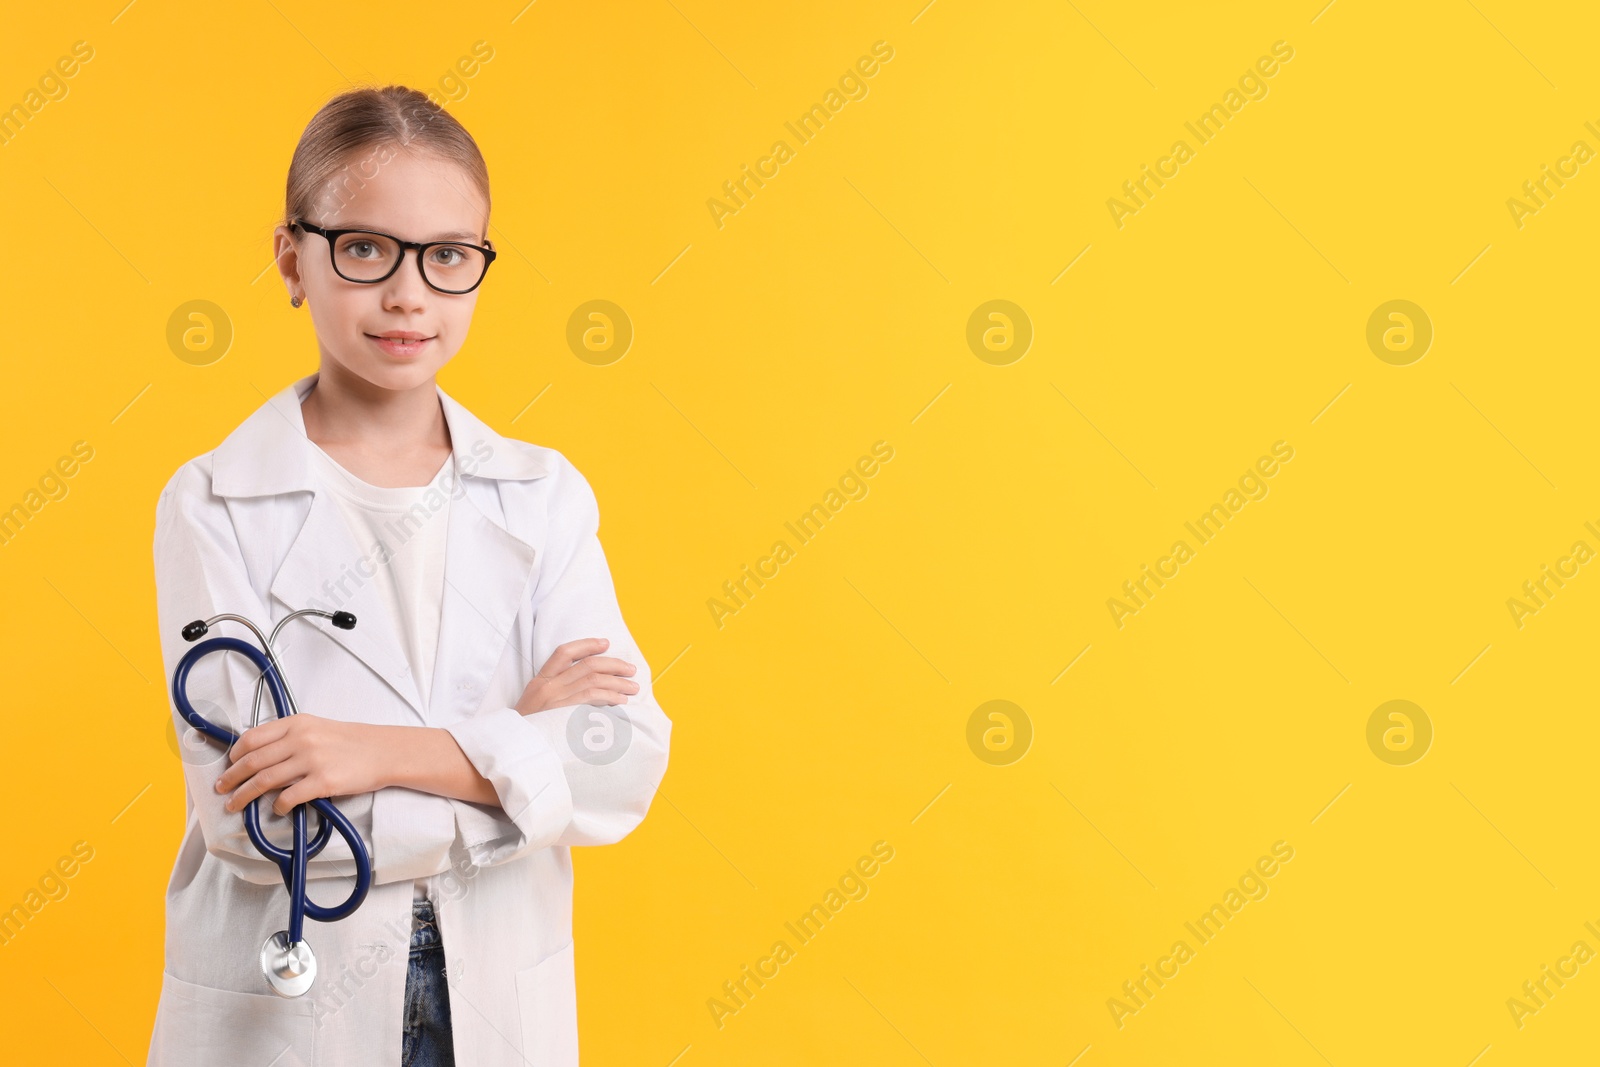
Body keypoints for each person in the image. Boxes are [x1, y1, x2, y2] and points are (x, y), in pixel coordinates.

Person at [147, 84, 671, 1067]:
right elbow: (257, 822)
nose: (408, 294)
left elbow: (618, 759)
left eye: (447, 256)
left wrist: (373, 751)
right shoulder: (212, 499)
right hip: (289, 1006)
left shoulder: (542, 493)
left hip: (495, 993)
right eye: (363, 248)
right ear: (291, 258)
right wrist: (517, 761)